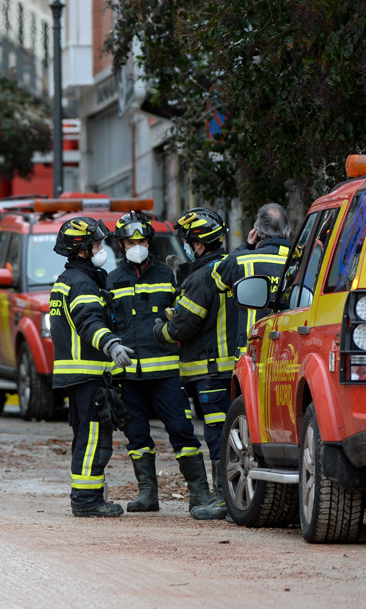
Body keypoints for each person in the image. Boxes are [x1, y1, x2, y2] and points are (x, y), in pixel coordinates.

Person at [107, 211, 214, 513]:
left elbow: (184, 316)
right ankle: (147, 494)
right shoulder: (112, 280)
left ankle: (200, 493)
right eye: (130, 241)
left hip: (166, 372)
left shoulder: (169, 275)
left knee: (181, 429)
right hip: (129, 375)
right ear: (121, 244)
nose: (136, 245)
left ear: (149, 241)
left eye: (141, 240)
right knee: (136, 435)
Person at [48, 216, 135, 518]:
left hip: (76, 374)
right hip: (87, 373)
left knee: (85, 436)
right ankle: (87, 500)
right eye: (96, 244)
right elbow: (89, 322)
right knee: (94, 438)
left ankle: (86, 496)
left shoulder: (67, 280)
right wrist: (111, 344)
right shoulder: (83, 282)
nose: (102, 249)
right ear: (82, 250)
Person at [152, 207, 233, 520]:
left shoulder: (201, 278)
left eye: (187, 241)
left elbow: (181, 327)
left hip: (210, 371)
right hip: (231, 369)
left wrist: (158, 329)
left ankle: (223, 498)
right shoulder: (231, 266)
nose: (185, 246)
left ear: (198, 244)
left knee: (217, 435)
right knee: (234, 433)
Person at [216, 203, 293, 354]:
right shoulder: (304, 260)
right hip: (290, 352)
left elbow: (215, 275)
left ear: (257, 231)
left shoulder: (241, 261)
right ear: (288, 230)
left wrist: (246, 246)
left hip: (252, 353)